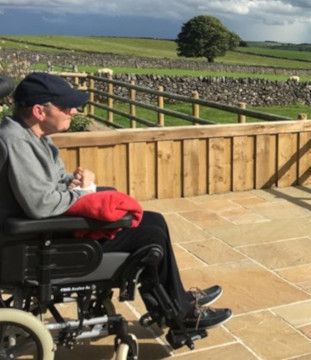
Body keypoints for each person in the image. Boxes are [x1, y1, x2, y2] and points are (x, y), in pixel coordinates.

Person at [0, 73, 231, 334]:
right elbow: (41, 204)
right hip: (38, 241)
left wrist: (71, 182)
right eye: (65, 106)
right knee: (149, 236)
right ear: (40, 111)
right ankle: (181, 316)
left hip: (45, 231)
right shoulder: (16, 140)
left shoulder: (33, 136)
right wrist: (85, 193)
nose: (74, 111)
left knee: (155, 220)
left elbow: (47, 183)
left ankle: (178, 300)